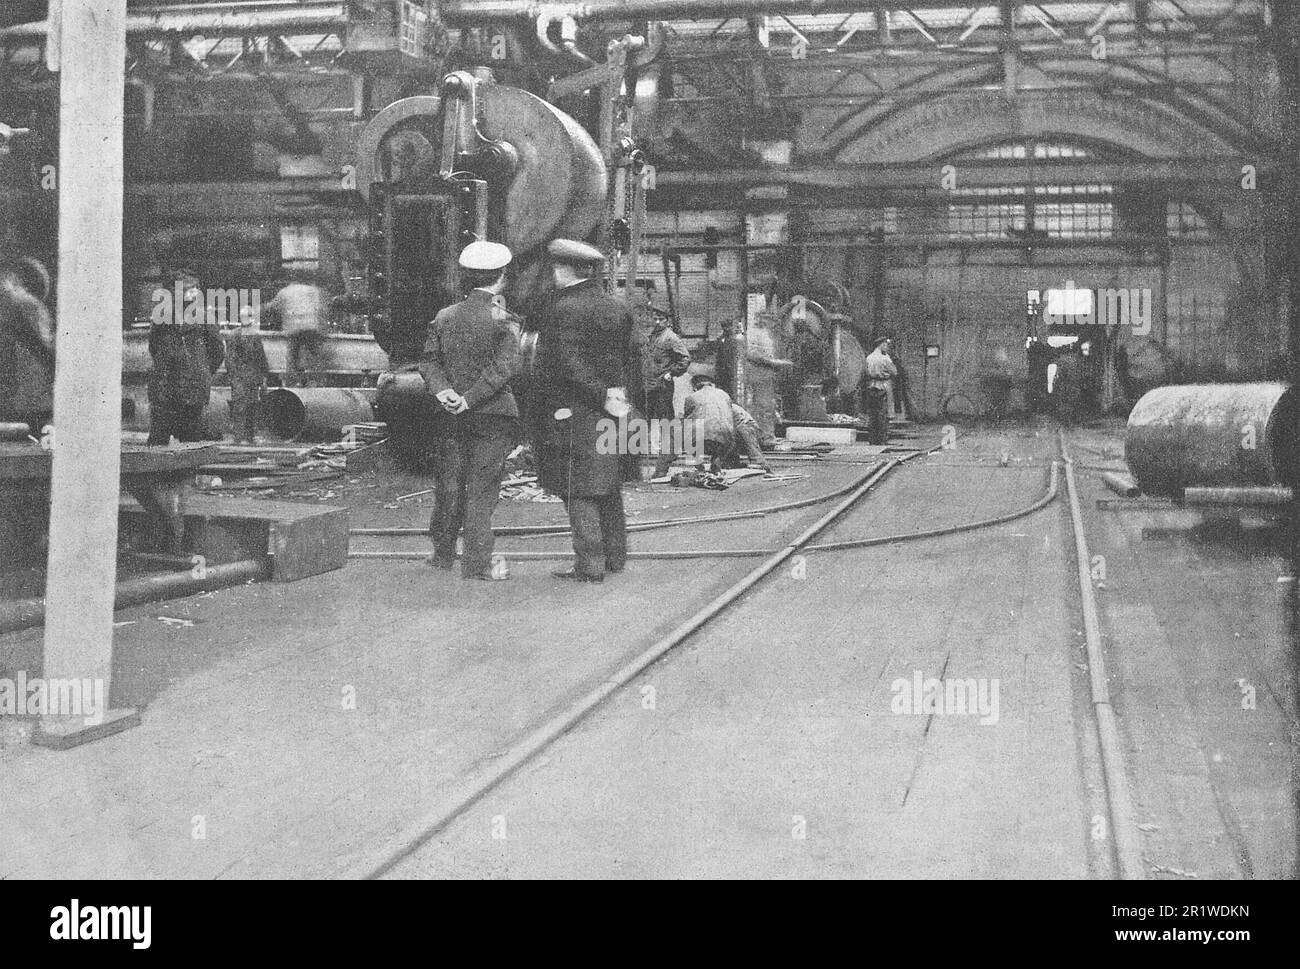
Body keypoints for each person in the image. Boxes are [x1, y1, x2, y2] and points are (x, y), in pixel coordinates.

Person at [414, 241, 521, 581]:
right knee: (481, 487)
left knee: (449, 483)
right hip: (492, 416)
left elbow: (428, 361)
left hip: (450, 414)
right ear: (501, 278)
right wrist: (471, 398)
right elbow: (503, 370)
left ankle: (442, 554)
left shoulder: (444, 317)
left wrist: (446, 392)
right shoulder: (505, 320)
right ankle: (476, 563)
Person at [531, 238, 633, 584]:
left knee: (579, 487)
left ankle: (590, 565)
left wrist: (600, 395)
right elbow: (633, 360)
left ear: (563, 269)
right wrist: (618, 398)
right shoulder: (617, 307)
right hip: (614, 410)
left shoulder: (562, 309)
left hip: (575, 411)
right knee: (607, 485)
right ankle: (615, 559)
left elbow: (568, 366)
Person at [147, 271, 225, 445]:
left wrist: (200, 370)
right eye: (189, 290)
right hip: (165, 389)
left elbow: (218, 351)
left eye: (196, 289)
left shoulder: (205, 318)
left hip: (193, 390)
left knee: (190, 442)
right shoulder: (163, 317)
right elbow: (154, 346)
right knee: (157, 441)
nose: (194, 293)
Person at [0, 257, 55, 434]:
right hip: (29, 396)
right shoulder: (30, 305)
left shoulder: (16, 302)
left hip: (17, 393)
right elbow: (44, 345)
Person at [643, 306, 692, 478]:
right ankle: (652, 456)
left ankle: (669, 454)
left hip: (662, 386)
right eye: (655, 319)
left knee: (666, 422)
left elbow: (685, 358)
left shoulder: (670, 338)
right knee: (646, 419)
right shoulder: (653, 337)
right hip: (649, 386)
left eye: (661, 319)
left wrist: (671, 373)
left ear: (667, 321)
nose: (657, 322)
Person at [262, 269, 330, 387]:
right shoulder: (313, 290)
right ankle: (318, 382)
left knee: (292, 356)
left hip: (294, 328)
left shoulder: (285, 291)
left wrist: (259, 307)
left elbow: (273, 307)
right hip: (311, 326)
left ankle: (294, 383)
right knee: (316, 355)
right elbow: (323, 308)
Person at [223, 305, 269, 445]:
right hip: (245, 376)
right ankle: (243, 436)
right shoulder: (250, 335)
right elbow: (261, 359)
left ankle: (243, 436)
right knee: (244, 407)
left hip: (245, 377)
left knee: (247, 407)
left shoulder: (238, 335)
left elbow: (260, 358)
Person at [682, 370, 738, 473]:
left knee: (688, 433)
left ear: (695, 387)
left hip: (700, 439)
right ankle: (717, 459)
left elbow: (687, 418)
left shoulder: (691, 397)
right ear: (713, 385)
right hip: (724, 438)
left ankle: (699, 466)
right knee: (727, 437)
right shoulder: (725, 395)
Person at [864, 336, 898, 445]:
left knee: (872, 415)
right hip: (884, 385)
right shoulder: (885, 359)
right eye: (886, 345)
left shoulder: (868, 358)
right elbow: (895, 372)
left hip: (871, 386)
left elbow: (865, 372)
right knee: (883, 414)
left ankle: (872, 440)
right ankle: (882, 440)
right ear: (882, 345)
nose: (887, 347)